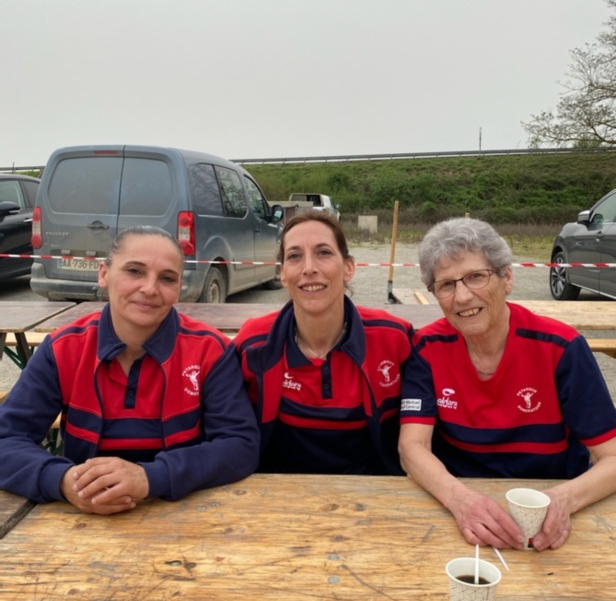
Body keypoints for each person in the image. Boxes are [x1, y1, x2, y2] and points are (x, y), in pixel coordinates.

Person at [0, 226, 259, 514]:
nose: (149, 288)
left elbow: (240, 446)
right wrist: (62, 480)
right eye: (134, 271)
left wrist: (149, 478)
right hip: (83, 518)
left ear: (178, 289)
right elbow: (7, 439)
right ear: (103, 274)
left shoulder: (210, 351)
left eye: (167, 278)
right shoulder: (64, 349)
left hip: (185, 514)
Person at [398, 217, 616, 551]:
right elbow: (412, 448)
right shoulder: (426, 348)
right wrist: (460, 500)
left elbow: (612, 457)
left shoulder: (561, 348)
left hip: (549, 518)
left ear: (507, 278)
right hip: (458, 514)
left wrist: (562, 500)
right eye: (446, 285)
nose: (462, 296)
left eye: (476, 277)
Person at [234, 210, 413, 474]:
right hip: (276, 499)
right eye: (295, 256)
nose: (309, 268)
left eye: (324, 252)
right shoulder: (254, 343)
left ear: (349, 267)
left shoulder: (394, 338)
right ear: (283, 274)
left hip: (374, 498)